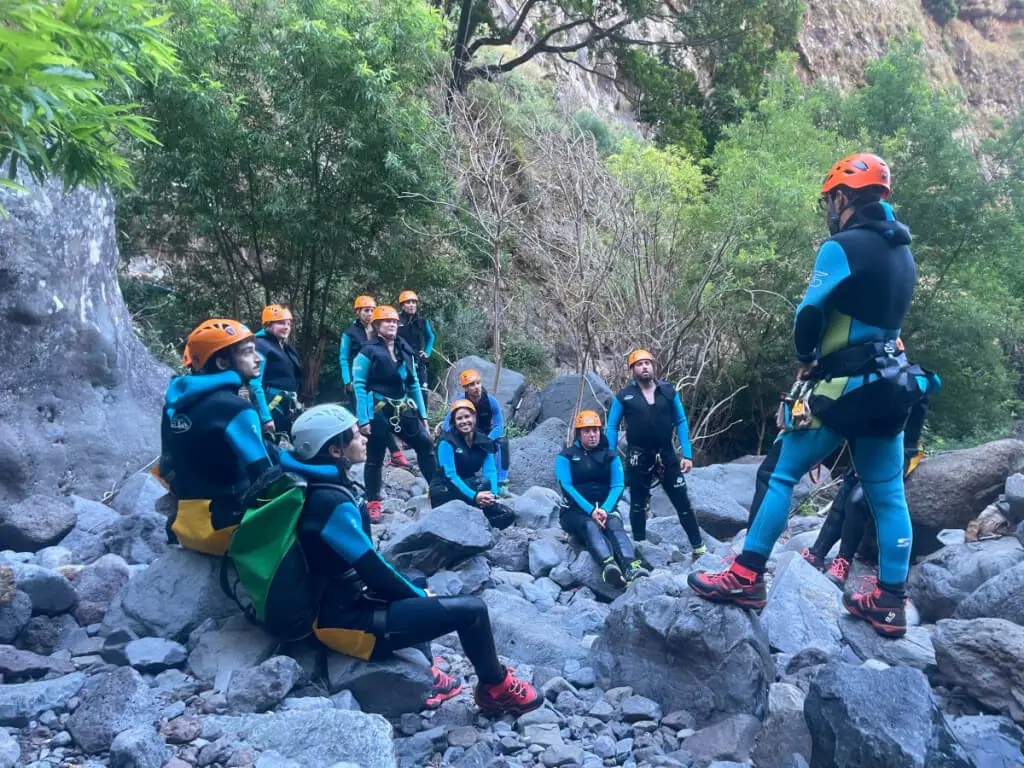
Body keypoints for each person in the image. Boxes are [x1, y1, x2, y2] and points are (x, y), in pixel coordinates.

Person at [688, 153, 932, 639]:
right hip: (892, 388)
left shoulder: (842, 246)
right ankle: (890, 601)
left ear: (843, 198)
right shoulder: (903, 253)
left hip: (845, 387)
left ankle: (746, 576)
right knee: (886, 493)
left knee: (780, 472)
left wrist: (806, 355)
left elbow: (810, 312)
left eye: (830, 201)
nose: (829, 210)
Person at [290, 404, 542, 715]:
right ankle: (495, 687)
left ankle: (427, 672)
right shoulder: (330, 503)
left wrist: (415, 590)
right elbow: (372, 570)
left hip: (341, 601)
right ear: (334, 450)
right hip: (346, 622)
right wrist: (420, 597)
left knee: (415, 578)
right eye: (355, 435)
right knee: (473, 611)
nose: (365, 438)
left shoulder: (321, 486)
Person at [802, 381, 938, 586]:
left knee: (857, 500)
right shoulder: (877, 376)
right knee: (845, 493)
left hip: (898, 452)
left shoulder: (910, 381)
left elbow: (905, 429)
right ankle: (817, 553)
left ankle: (843, 562)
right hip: (867, 447)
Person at [160, 319, 278, 555]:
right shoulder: (236, 409)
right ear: (223, 362)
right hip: (225, 531)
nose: (259, 358)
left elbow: (166, 467)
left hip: (185, 527)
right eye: (248, 352)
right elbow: (265, 477)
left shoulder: (174, 406)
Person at [606, 349, 706, 556]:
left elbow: (680, 421)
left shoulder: (668, 391)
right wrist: (610, 456)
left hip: (667, 455)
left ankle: (699, 548)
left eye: (647, 363)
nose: (644, 367)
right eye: (639, 364)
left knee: (682, 503)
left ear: (653, 366)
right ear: (632, 370)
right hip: (638, 456)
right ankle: (640, 549)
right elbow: (612, 426)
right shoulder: (624, 396)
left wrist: (687, 454)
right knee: (637, 505)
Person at [353, 305, 437, 520]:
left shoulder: (404, 348)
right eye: (386, 321)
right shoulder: (368, 351)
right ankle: (373, 502)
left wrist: (423, 416)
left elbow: (413, 382)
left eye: (393, 321)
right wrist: (363, 419)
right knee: (375, 457)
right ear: (377, 325)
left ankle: (436, 491)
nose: (391, 324)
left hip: (403, 408)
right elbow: (359, 385)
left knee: (426, 445)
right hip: (378, 410)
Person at [558, 410, 650, 588]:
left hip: (605, 510)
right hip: (573, 512)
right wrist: (591, 511)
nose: (592, 435)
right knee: (589, 525)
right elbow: (566, 486)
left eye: (595, 430)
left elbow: (618, 485)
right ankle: (608, 565)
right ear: (579, 434)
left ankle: (631, 567)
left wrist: (605, 510)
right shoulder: (566, 457)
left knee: (614, 524)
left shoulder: (611, 456)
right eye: (587, 431)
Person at [339, 295, 410, 469]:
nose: (370, 313)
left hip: (379, 382)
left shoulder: (379, 331)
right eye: (366, 310)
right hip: (359, 381)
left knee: (382, 419)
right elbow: (344, 358)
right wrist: (348, 380)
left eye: (372, 310)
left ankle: (392, 454)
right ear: (358, 312)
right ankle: (378, 454)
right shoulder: (350, 334)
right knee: (366, 418)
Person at [431, 400, 515, 528]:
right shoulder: (446, 442)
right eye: (459, 418)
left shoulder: (484, 442)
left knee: (507, 515)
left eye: (467, 416)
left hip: (469, 486)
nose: (464, 421)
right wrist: (475, 496)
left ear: (474, 417)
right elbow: (450, 476)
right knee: (482, 483)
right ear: (454, 421)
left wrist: (492, 495)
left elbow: (490, 471)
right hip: (445, 489)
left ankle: (477, 526)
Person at [442, 369, 511, 495]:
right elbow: (446, 424)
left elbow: (499, 425)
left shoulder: (490, 401)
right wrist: (458, 438)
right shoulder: (460, 401)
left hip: (485, 436)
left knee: (502, 442)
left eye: (478, 383)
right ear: (465, 388)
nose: (476, 387)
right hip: (465, 436)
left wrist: (488, 439)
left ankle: (501, 483)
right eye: (471, 385)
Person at [250, 304, 303, 438]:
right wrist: (266, 417)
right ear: (268, 325)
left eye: (288, 324)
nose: (286, 327)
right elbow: (255, 383)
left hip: (286, 404)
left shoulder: (285, 348)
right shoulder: (261, 345)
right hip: (272, 405)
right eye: (281, 323)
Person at [397, 290, 435, 397]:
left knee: (423, 392)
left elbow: (431, 337)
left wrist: (427, 352)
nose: (411, 305)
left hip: (418, 360)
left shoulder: (422, 321)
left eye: (414, 302)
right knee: (403, 391)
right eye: (408, 302)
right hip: (401, 360)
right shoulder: (395, 319)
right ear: (402, 306)